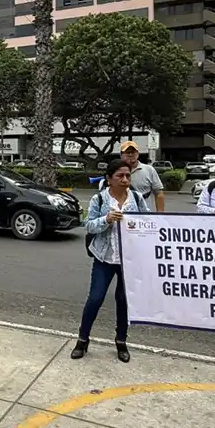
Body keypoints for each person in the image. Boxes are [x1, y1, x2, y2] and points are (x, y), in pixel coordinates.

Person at [73, 158, 150, 363]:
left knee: (124, 301)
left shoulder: (136, 198)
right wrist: (106, 220)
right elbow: (88, 225)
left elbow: (148, 222)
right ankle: (82, 339)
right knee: (95, 298)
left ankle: (121, 341)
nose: (125, 179)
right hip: (104, 257)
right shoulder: (99, 199)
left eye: (128, 175)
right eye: (120, 176)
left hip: (129, 260)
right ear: (109, 179)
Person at [97, 141, 164, 212]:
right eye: (127, 152)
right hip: (118, 214)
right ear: (121, 155)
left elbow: (159, 193)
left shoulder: (149, 170)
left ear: (138, 154)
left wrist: (160, 215)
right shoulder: (114, 170)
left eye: (133, 152)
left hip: (144, 215)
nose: (131, 154)